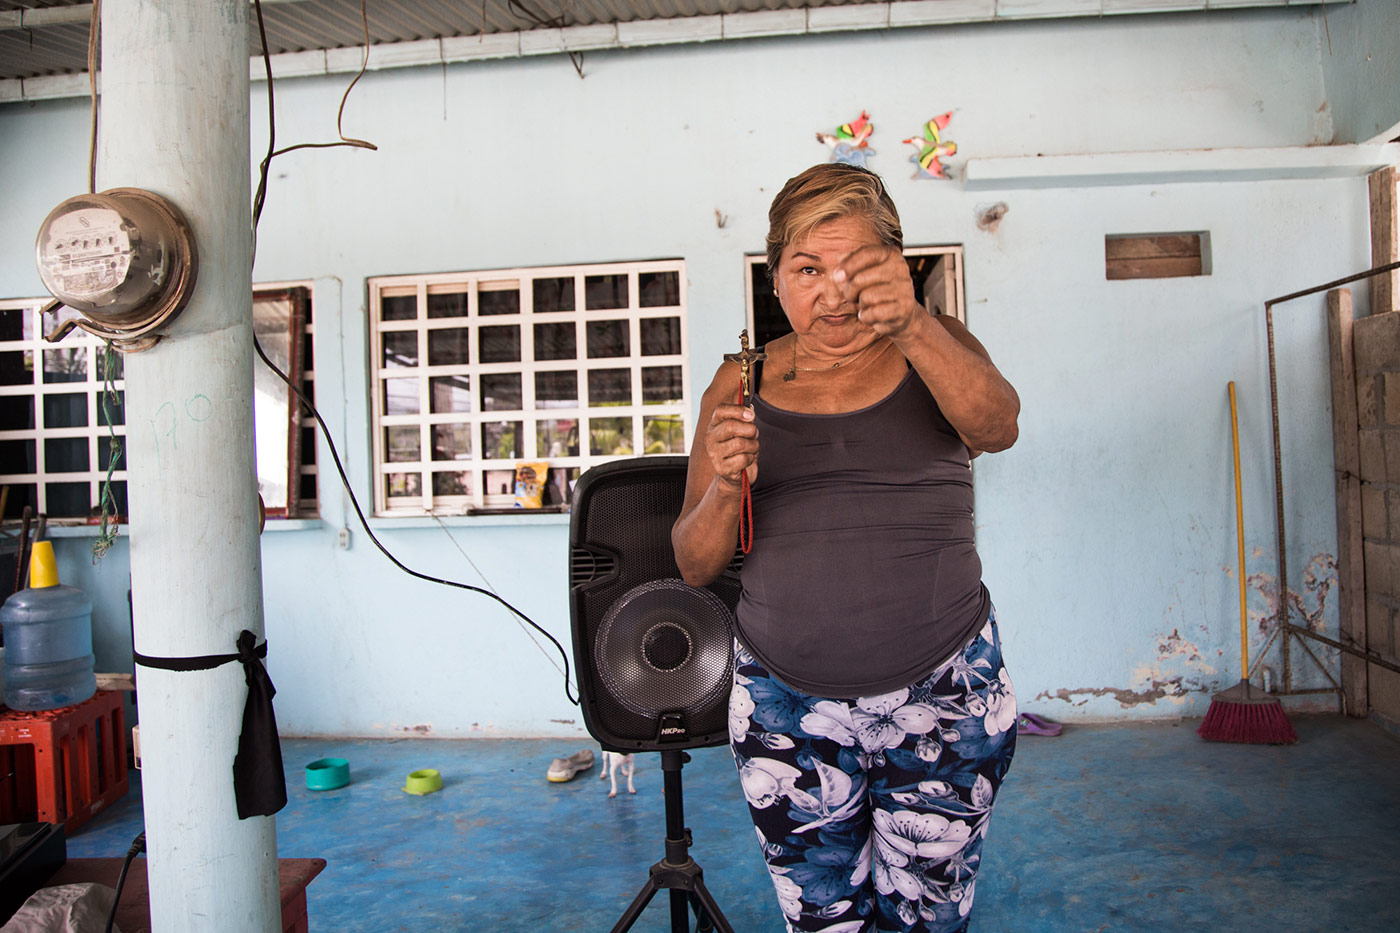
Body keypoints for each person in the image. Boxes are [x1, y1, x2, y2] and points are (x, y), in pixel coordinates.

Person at [671, 162, 1020, 933]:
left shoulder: (937, 346)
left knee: (928, 919)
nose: (833, 291)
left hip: (944, 695)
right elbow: (693, 563)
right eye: (808, 268)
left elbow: (999, 427)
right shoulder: (738, 382)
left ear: (895, 265)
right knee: (821, 920)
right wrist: (726, 484)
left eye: (857, 266)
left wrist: (915, 324)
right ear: (775, 278)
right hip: (784, 710)